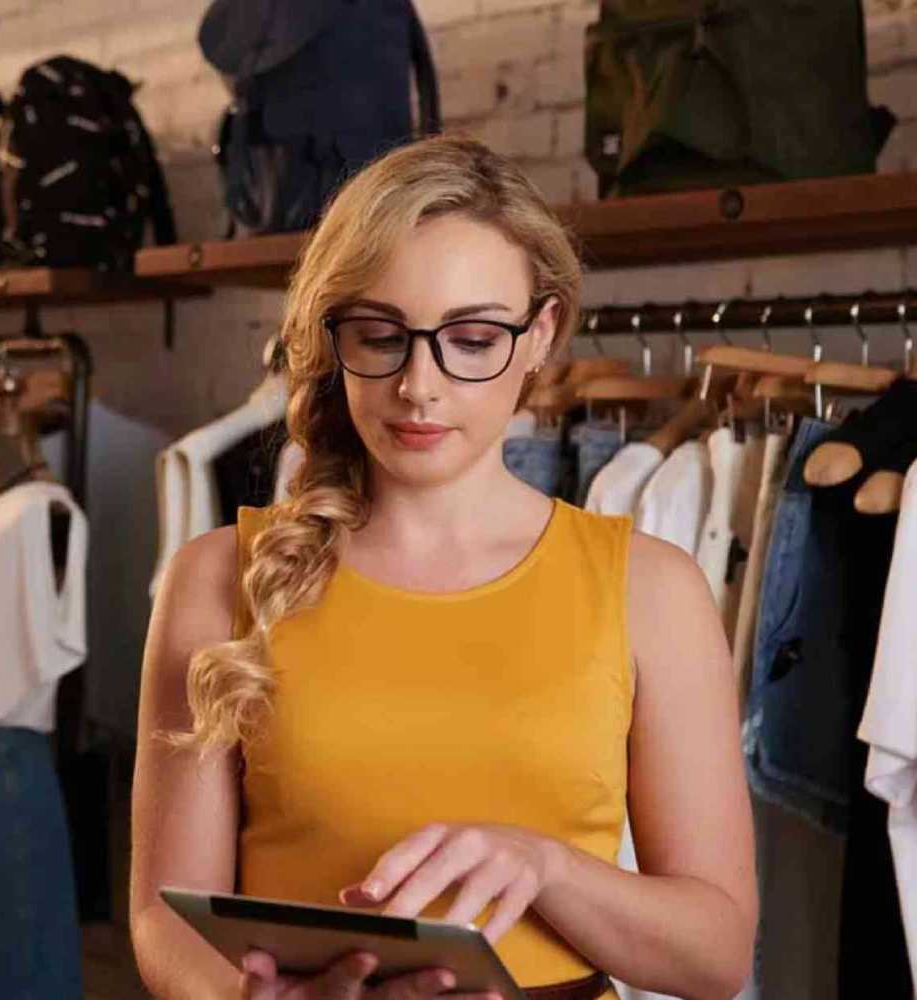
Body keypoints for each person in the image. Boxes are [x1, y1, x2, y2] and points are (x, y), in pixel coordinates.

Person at [130, 134, 757, 1000]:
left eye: (470, 339)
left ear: (541, 335)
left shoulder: (651, 589)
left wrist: (547, 868)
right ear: (332, 335)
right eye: (382, 335)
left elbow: (716, 954)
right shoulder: (219, 576)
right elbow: (163, 919)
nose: (420, 386)